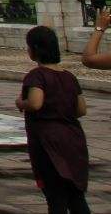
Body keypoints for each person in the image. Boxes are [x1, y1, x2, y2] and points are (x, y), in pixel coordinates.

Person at [17, 26, 89, 214]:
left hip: (48, 142)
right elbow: (81, 109)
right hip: (73, 139)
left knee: (55, 196)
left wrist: (20, 103)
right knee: (76, 195)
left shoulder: (37, 76)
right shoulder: (69, 77)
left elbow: (35, 103)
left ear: (34, 49)